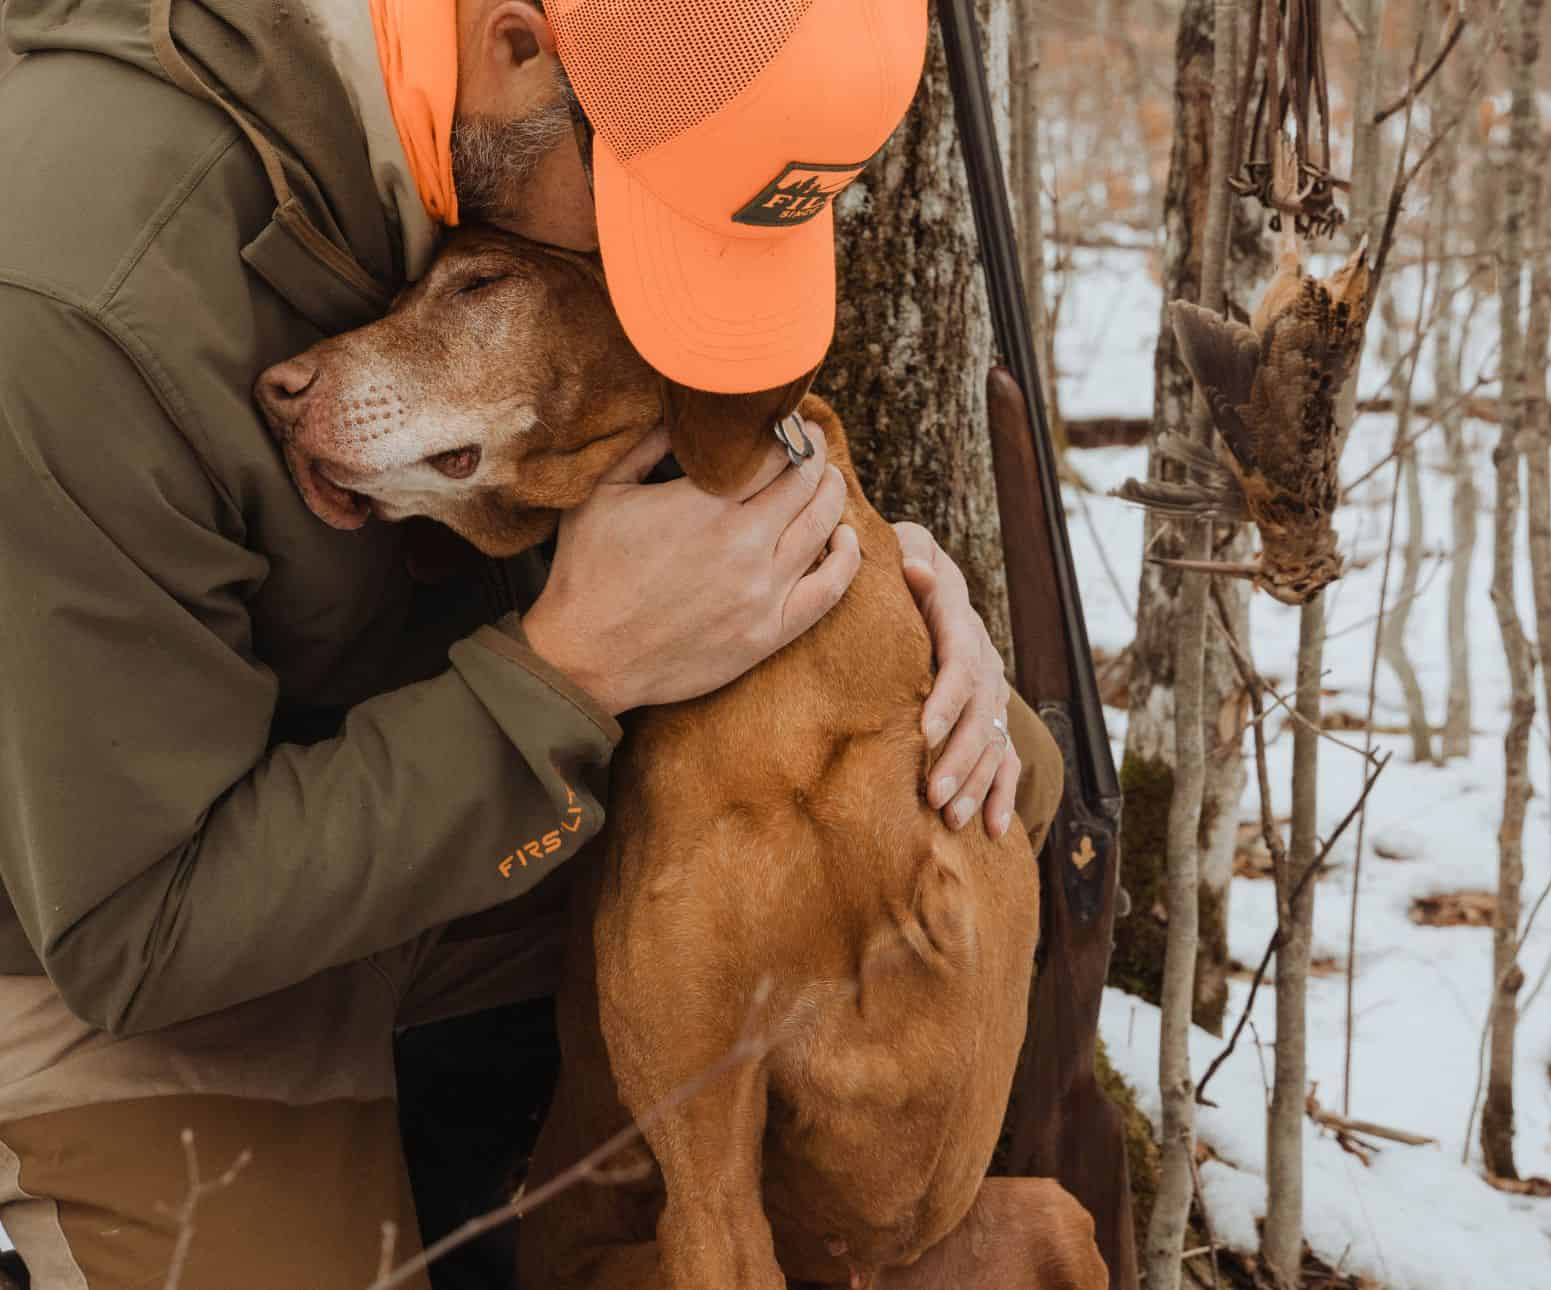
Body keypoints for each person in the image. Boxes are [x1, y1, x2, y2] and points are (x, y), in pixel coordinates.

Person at [0, 2, 1063, 1286]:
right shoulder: (76, 295)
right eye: (655, 240)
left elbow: (650, 415)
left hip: (423, 800)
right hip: (131, 938)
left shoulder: (491, 138)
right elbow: (131, 931)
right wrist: (566, 677)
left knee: (997, 775)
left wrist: (865, 590)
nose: (666, 296)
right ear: (517, 49)